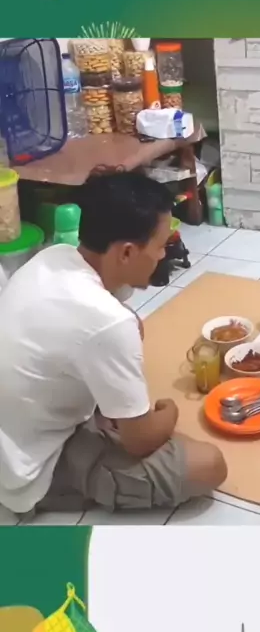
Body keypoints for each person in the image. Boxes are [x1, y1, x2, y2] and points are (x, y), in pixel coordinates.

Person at [0, 169, 227, 517]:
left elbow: (112, 318)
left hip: (18, 426)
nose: (162, 256)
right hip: (30, 465)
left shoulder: (55, 256)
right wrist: (169, 411)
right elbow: (140, 442)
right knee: (207, 464)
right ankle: (58, 488)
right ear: (126, 253)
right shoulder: (106, 322)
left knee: (131, 324)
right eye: (160, 246)